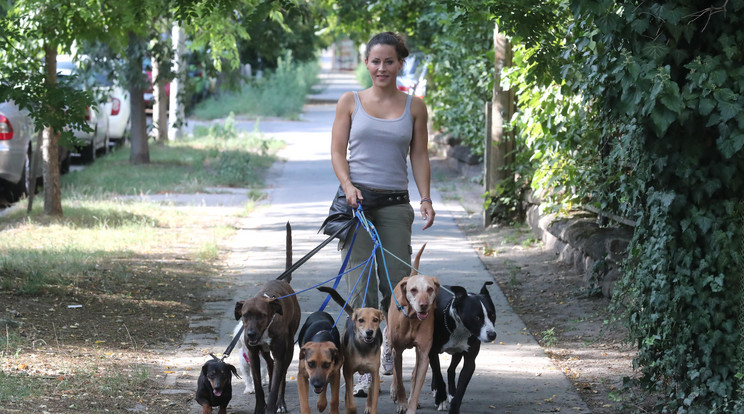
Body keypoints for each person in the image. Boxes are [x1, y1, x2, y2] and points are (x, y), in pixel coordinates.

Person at [330, 31, 436, 397]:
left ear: (399, 63)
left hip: (393, 204)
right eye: (375, 61)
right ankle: (363, 361)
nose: (381, 68)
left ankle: (390, 346)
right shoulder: (350, 101)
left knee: (399, 286)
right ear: (366, 63)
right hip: (357, 203)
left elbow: (419, 155)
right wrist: (347, 186)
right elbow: (337, 152)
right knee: (358, 284)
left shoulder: (414, 107)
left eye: (389, 61)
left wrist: (425, 197)